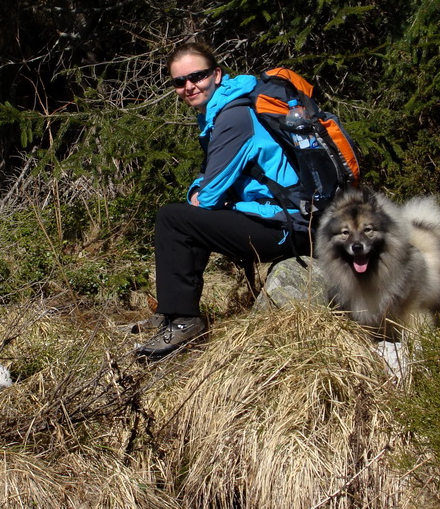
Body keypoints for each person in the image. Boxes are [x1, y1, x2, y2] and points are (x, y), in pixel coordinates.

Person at [134, 42, 314, 360]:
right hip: (282, 218)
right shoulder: (224, 110)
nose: (189, 86)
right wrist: (199, 192)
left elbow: (210, 194)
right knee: (190, 218)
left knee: (173, 219)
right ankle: (173, 313)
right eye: (179, 81)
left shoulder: (235, 116)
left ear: (216, 74)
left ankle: (183, 321)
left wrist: (199, 194)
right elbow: (209, 179)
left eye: (197, 76)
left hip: (287, 226)